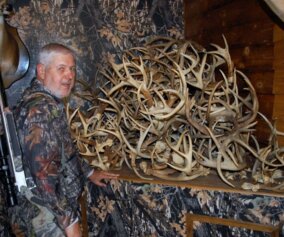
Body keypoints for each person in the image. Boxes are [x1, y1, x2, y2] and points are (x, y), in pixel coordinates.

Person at [8, 43, 119, 237]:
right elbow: (45, 180)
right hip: (47, 220)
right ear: (41, 71)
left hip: (48, 214)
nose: (69, 76)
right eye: (61, 69)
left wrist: (89, 171)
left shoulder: (43, 102)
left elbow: (62, 151)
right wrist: (71, 224)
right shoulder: (40, 111)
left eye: (72, 69)